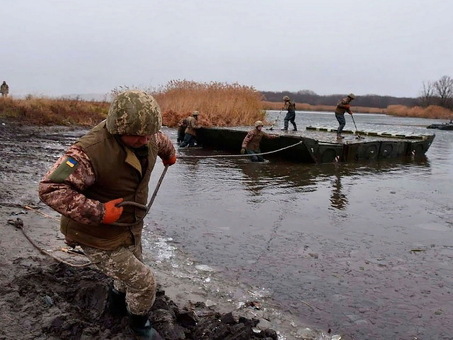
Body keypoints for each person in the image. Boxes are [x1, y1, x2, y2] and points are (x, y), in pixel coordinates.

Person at [38, 90, 176, 340]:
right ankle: (139, 328)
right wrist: (99, 212)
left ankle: (115, 307)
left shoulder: (146, 133)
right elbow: (50, 188)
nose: (145, 140)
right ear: (117, 128)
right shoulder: (88, 152)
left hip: (128, 227)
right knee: (144, 282)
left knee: (128, 276)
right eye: (137, 136)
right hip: (95, 233)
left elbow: (160, 140)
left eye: (149, 134)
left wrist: (169, 154)